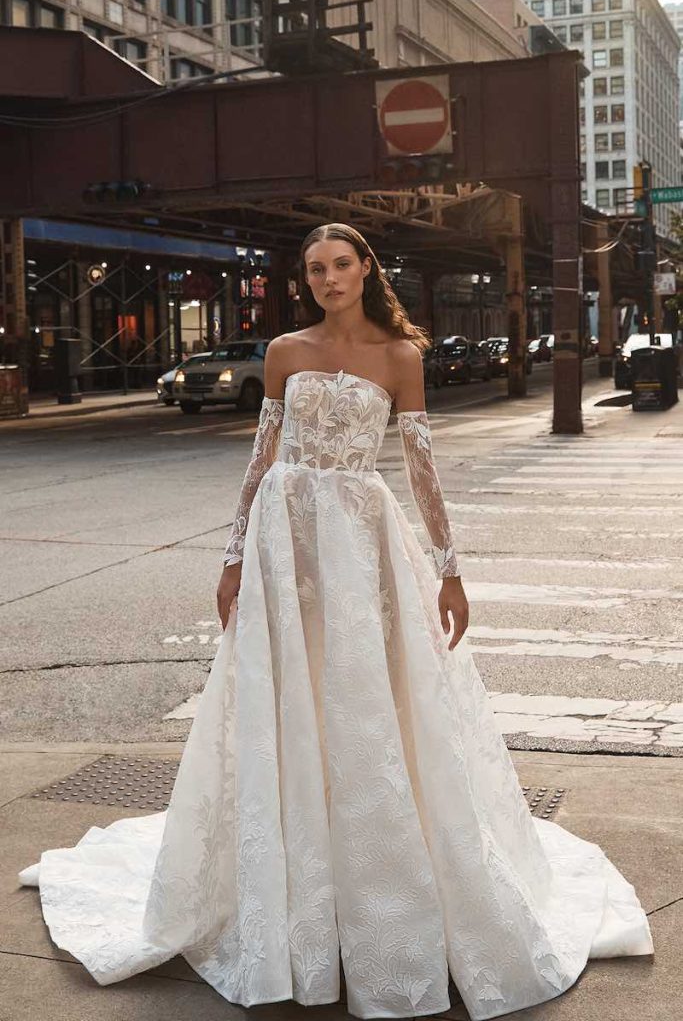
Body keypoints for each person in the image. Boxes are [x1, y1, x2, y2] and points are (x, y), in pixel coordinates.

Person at [19, 223, 653, 1021]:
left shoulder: (401, 355)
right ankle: (287, 865)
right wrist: (233, 557)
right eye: (314, 268)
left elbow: (421, 468)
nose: (326, 278)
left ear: (364, 270)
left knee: (364, 695)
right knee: (285, 691)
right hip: (284, 534)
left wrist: (450, 570)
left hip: (358, 533)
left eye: (339, 265)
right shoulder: (283, 350)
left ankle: (372, 874)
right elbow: (259, 461)